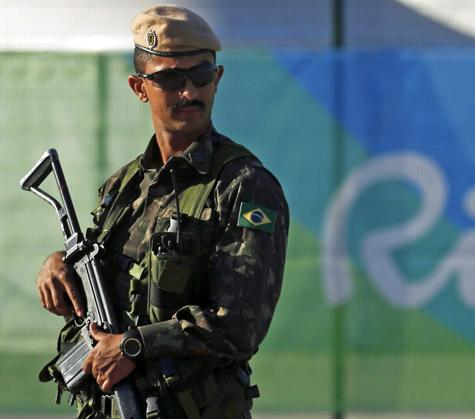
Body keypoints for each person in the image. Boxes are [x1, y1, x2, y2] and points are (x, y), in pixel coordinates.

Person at [33, 5, 289, 418]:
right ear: (139, 87)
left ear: (218, 79)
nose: (190, 92)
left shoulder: (243, 185)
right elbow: (103, 272)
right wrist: (58, 264)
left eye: (201, 75)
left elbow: (239, 324)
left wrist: (134, 346)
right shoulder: (125, 184)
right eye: (171, 79)